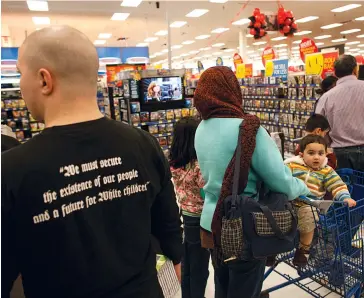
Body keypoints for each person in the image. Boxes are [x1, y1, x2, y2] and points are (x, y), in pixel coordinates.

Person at [1, 26, 182, 298]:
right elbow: (169, 230)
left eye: (20, 73)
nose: (21, 85)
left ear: (44, 80)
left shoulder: (11, 170)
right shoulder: (144, 144)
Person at [193, 66, 310, 298]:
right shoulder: (248, 129)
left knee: (223, 285)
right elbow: (281, 182)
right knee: (245, 289)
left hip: (211, 224)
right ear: (233, 90)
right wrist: (303, 187)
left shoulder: (201, 128)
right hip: (243, 225)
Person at [285, 135, 356, 266]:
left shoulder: (326, 171)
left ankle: (303, 250)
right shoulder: (292, 165)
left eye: (320, 153)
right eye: (311, 153)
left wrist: (345, 197)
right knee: (274, 212)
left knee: (308, 217)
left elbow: (337, 185)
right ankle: (270, 249)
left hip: (308, 206)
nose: (316, 157)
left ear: (326, 154)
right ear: (301, 154)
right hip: (287, 203)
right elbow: (282, 179)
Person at [170, 117, 209, 298]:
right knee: (200, 268)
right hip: (201, 219)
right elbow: (205, 193)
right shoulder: (199, 165)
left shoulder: (173, 163)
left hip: (185, 216)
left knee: (187, 267)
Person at [315, 55, 364, 171]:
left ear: (335, 73)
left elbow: (318, 126)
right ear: (355, 70)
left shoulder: (326, 97)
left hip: (340, 153)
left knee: (342, 187)